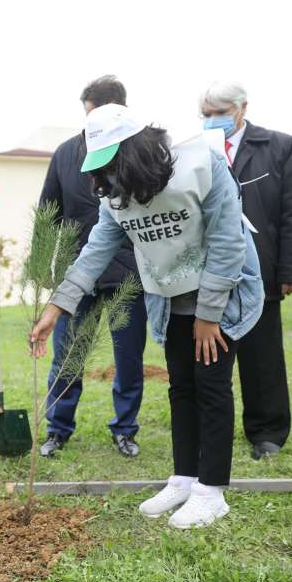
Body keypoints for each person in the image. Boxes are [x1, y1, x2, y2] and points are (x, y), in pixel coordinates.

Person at [30, 104, 263, 529]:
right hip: (171, 298)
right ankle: (184, 478)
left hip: (219, 293)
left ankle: (211, 492)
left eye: (112, 164)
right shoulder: (117, 198)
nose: (107, 178)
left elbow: (230, 242)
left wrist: (209, 316)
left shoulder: (201, 166)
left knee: (211, 386)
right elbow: (94, 252)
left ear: (134, 151)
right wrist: (57, 305)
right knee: (181, 388)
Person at [37, 75, 147, 459]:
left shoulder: (137, 154)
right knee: (68, 355)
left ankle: (125, 429)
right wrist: (45, 271)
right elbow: (47, 213)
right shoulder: (66, 153)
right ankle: (58, 428)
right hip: (77, 273)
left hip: (128, 274)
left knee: (128, 358)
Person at [199, 80, 292, 460]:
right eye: (207, 114)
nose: (213, 120)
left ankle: (267, 432)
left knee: (263, 356)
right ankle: (210, 428)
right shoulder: (196, 150)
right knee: (212, 352)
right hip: (212, 269)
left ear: (242, 108)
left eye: (220, 113)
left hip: (262, 268)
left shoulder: (279, 146)